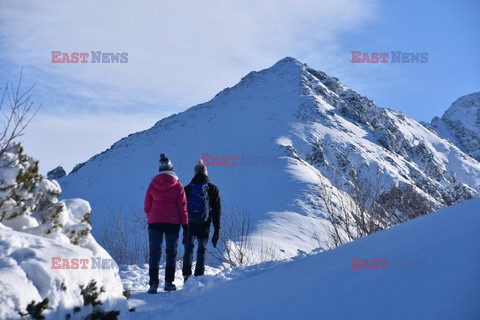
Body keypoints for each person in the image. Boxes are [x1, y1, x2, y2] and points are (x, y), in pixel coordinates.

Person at [144, 153, 189, 293]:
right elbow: (183, 207)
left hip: (155, 221)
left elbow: (147, 205)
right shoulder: (178, 186)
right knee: (171, 252)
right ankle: (169, 283)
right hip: (172, 222)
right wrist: (185, 225)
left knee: (154, 252)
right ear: (172, 169)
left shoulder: (152, 184)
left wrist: (152, 216)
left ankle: (153, 284)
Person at [182, 159, 221, 281]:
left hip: (189, 224)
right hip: (204, 224)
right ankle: (199, 276)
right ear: (206, 173)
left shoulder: (187, 188)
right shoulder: (212, 189)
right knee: (201, 249)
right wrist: (216, 229)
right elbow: (216, 210)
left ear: (194, 173)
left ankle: (187, 276)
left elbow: (181, 208)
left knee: (189, 249)